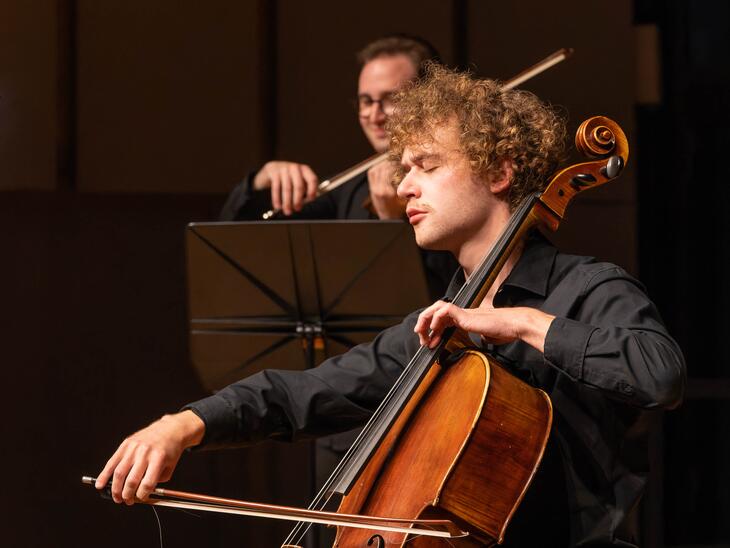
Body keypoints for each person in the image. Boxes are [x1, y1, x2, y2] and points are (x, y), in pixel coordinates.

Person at [95, 65, 686, 546]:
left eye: (427, 166)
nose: (405, 186)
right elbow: (302, 393)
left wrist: (523, 322)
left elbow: (660, 373)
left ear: (501, 172)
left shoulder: (587, 288)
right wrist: (183, 424)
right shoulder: (436, 328)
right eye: (405, 169)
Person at [219, 34, 438, 222]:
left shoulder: (442, 185)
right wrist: (260, 182)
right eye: (366, 101)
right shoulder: (351, 187)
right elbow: (238, 230)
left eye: (390, 98)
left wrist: (392, 220)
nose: (373, 115)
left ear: (429, 100)